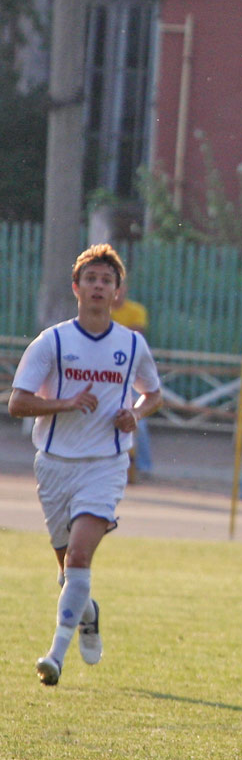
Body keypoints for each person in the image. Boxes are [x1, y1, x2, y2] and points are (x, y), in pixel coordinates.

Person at [8, 243, 163, 686]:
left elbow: (153, 394)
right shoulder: (53, 341)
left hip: (105, 465)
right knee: (69, 575)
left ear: (117, 292)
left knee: (79, 556)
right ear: (76, 287)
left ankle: (55, 657)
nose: (98, 286)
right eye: (90, 279)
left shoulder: (132, 344)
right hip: (55, 466)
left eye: (106, 280)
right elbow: (17, 403)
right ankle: (88, 614)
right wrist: (66, 403)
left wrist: (135, 413)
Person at [111, 277, 154, 480]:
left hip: (132, 374)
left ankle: (144, 466)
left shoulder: (136, 310)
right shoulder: (101, 312)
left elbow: (135, 338)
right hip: (107, 375)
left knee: (139, 423)